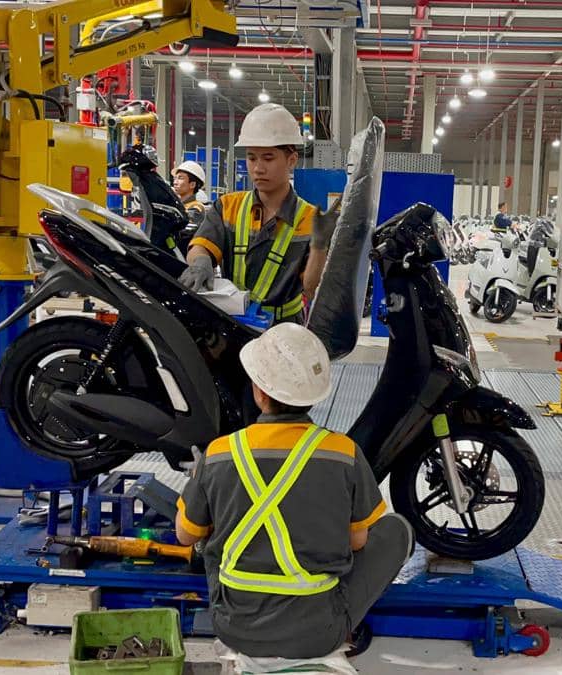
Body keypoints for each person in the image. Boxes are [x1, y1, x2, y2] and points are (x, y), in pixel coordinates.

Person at [175, 323, 413, 660]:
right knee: (397, 530)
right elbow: (358, 542)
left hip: (234, 628)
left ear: (259, 391)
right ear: (315, 396)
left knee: (209, 538)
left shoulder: (220, 453)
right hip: (318, 634)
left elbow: (185, 535)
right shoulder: (343, 453)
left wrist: (207, 489)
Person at [179, 103, 334, 323]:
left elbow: (311, 289)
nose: (258, 168)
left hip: (284, 328)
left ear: (291, 160)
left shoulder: (309, 220)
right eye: (252, 158)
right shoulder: (228, 207)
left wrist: (319, 248)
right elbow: (202, 245)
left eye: (268, 158)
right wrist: (200, 261)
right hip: (235, 322)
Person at [172, 160, 207, 226]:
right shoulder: (179, 205)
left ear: (192, 184)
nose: (175, 182)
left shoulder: (196, 208)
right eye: (175, 178)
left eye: (180, 178)